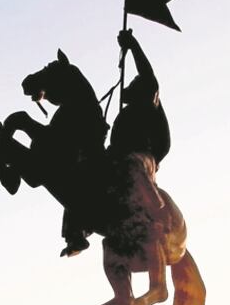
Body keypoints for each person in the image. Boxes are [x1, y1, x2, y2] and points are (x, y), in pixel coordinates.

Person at [59, 29, 171, 257]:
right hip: (118, 155)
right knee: (80, 171)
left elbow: (147, 74)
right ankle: (77, 232)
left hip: (142, 157)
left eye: (132, 85)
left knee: (130, 163)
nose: (126, 89)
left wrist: (132, 45)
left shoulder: (149, 103)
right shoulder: (128, 112)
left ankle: (154, 205)